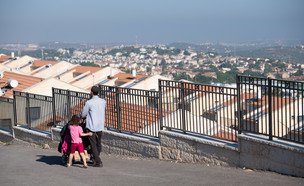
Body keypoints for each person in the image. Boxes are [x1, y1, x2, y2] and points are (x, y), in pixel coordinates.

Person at [81, 86, 106, 167]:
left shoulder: (89, 103)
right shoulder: (103, 101)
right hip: (100, 125)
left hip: (91, 126)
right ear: (98, 92)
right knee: (98, 143)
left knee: (93, 144)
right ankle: (95, 158)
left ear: (91, 92)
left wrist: (79, 116)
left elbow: (83, 114)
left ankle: (98, 161)